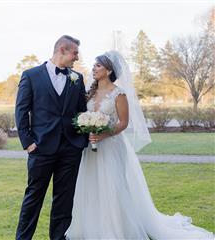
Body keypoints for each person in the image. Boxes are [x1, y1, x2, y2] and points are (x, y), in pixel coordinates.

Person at [65, 50, 214, 240]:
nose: (93, 68)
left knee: (112, 186)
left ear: (109, 70)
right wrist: (89, 130)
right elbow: (80, 116)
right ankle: (91, 228)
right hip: (91, 147)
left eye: (98, 65)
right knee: (91, 185)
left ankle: (115, 230)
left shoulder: (119, 94)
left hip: (111, 145)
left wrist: (104, 134)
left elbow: (123, 123)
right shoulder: (88, 93)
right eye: (94, 65)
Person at [15, 35, 89, 240]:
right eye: (75, 53)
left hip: (70, 150)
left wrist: (81, 141)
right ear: (63, 50)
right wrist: (28, 143)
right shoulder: (30, 76)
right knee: (33, 199)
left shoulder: (77, 78)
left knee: (64, 201)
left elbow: (81, 112)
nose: (77, 58)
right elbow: (21, 112)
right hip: (40, 149)